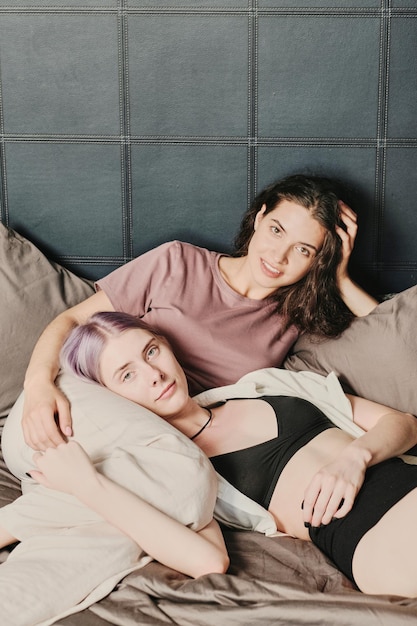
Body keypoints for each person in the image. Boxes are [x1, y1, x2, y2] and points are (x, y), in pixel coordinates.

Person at [31, 311, 417, 598]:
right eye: (127, 375)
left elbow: (403, 424)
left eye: (151, 351)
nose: (154, 374)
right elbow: (208, 562)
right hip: (371, 537)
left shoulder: (264, 384)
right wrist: (89, 486)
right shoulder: (174, 466)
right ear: (110, 399)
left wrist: (354, 458)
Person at [21, 174, 378, 450]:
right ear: (259, 217)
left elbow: (390, 339)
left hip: (181, 439)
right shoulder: (176, 261)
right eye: (276, 230)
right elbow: (71, 320)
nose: (278, 256)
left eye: (303, 250)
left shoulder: (298, 315)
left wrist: (339, 275)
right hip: (106, 406)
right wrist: (37, 386)